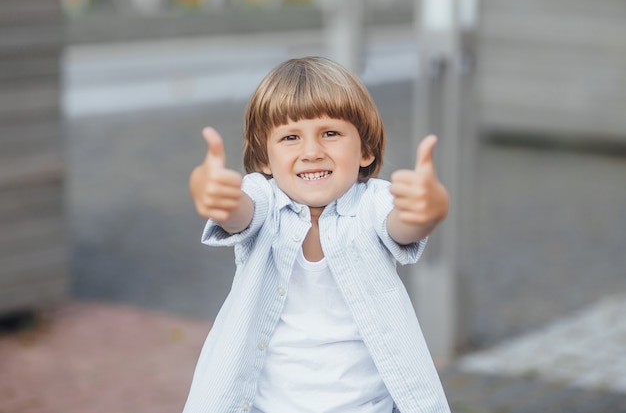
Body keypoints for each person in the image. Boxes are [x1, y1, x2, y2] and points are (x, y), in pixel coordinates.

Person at [183, 56, 451, 413]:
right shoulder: (264, 197)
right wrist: (215, 196)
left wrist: (427, 210)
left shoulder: (373, 202)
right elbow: (239, 212)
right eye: (291, 137)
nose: (311, 152)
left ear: (365, 151)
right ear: (265, 157)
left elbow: (402, 224)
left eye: (330, 133)